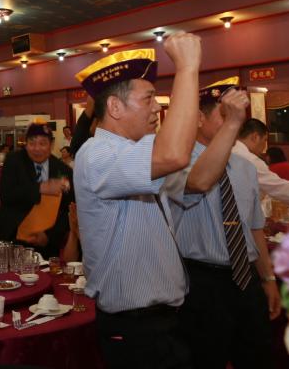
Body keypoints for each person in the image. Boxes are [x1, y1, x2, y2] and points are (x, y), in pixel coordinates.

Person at [74, 35, 202, 369]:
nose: (157, 108)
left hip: (164, 319)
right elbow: (174, 154)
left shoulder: (134, 152)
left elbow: (195, 179)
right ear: (114, 108)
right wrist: (187, 68)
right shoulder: (96, 153)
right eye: (148, 99)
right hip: (136, 326)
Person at [168, 78, 279, 368]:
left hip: (246, 277)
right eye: (225, 114)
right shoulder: (177, 164)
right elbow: (199, 182)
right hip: (202, 281)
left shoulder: (245, 167)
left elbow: (254, 228)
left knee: (257, 356)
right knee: (206, 358)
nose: (234, 121)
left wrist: (267, 278)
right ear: (199, 118)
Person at [0, 121, 73, 259]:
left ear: (51, 144)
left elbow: (67, 209)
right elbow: (7, 195)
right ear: (26, 144)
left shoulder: (63, 170)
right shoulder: (14, 161)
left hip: (44, 241)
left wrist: (49, 236)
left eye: (42, 143)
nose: (37, 148)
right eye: (32, 143)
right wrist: (40, 188)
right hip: (11, 234)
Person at [232, 119, 289, 210]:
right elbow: (279, 188)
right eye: (265, 140)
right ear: (255, 137)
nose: (265, 145)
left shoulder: (229, 151)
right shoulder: (250, 160)